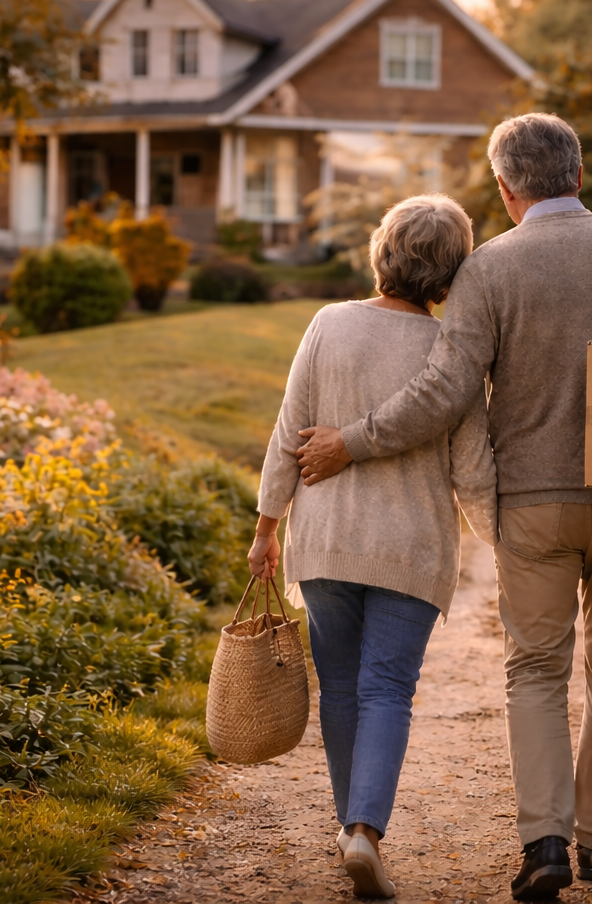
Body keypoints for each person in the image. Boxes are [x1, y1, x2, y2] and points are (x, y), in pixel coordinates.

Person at [294, 113, 592, 900]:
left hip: (532, 510)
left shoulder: (489, 270)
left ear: (508, 190)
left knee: (536, 673)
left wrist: (352, 441)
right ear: (577, 176)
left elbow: (445, 395)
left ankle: (543, 844)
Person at [248, 193, 499, 900]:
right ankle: (365, 831)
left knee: (343, 692)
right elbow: (475, 471)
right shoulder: (454, 353)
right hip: (410, 551)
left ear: (382, 251)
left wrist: (267, 527)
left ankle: (347, 828)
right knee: (388, 688)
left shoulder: (328, 324)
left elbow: (287, 433)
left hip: (325, 542)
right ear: (452, 273)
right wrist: (512, 550)